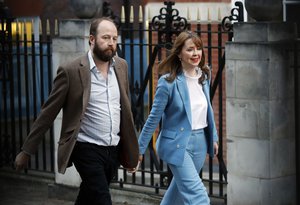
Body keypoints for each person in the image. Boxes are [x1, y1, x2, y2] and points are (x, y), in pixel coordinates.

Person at [14, 17, 139, 205]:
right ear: (92, 39)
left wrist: (130, 150)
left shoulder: (121, 66)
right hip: (86, 148)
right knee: (103, 200)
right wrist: (27, 150)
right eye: (106, 38)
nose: (111, 43)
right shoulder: (71, 70)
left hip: (112, 149)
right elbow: (48, 113)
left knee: (88, 197)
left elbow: (125, 111)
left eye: (114, 38)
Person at [136, 31, 219, 205]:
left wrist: (214, 137)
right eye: (190, 49)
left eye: (198, 48)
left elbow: (206, 109)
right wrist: (139, 150)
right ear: (179, 53)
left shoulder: (204, 75)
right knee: (199, 197)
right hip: (176, 144)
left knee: (176, 195)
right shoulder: (168, 82)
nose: (196, 53)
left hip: (200, 142)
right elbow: (153, 119)